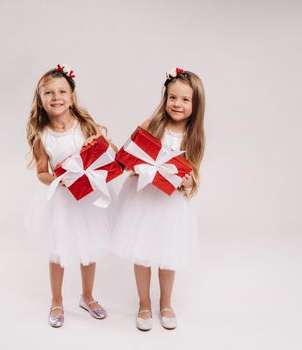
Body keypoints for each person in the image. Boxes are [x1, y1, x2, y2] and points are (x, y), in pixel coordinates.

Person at [111, 68, 206, 331]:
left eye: (185, 100)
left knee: (168, 254)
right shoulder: (152, 124)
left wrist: (187, 180)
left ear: (196, 104)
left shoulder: (194, 135)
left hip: (170, 204)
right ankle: (143, 303)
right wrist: (124, 160)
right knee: (141, 253)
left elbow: (193, 175)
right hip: (144, 198)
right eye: (173, 97)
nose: (177, 104)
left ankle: (166, 304)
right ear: (165, 98)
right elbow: (129, 158)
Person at [26, 64, 114, 328]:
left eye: (62, 91)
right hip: (62, 201)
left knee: (90, 248)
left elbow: (109, 152)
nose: (56, 97)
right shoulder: (42, 136)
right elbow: (42, 172)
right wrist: (57, 181)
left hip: (86, 198)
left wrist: (97, 145)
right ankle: (56, 300)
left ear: (72, 96)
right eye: (49, 93)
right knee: (58, 251)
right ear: (40, 101)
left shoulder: (85, 126)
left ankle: (87, 297)